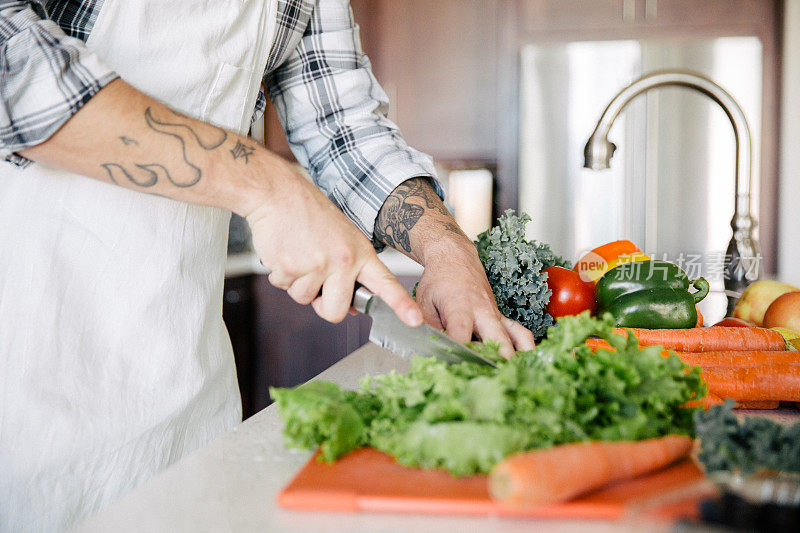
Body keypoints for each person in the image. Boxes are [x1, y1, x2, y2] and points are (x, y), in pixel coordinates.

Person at [0, 0, 534, 530]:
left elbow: (343, 129)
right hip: (25, 402)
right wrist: (269, 188)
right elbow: (17, 72)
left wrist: (448, 250)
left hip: (187, 404)